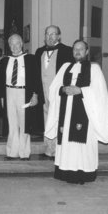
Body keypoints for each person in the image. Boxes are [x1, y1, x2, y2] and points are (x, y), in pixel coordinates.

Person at [45, 40, 108, 184]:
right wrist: (63, 89)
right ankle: (66, 173)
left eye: (81, 49)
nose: (77, 51)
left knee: (83, 144)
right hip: (66, 113)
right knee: (67, 143)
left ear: (87, 52)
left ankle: (83, 174)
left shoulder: (94, 68)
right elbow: (53, 89)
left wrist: (81, 90)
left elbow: (100, 94)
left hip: (85, 115)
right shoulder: (65, 67)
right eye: (75, 49)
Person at [0, 34, 43, 160]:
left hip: (24, 93)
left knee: (24, 123)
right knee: (11, 123)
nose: (14, 46)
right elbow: (0, 81)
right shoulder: (4, 61)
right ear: (8, 46)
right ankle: (12, 151)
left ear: (22, 43)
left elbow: (36, 79)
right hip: (9, 92)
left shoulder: (30, 59)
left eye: (17, 43)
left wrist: (35, 95)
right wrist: (2, 97)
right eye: (11, 44)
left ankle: (24, 152)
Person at [35, 25, 73, 159]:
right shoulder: (39, 51)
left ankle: (60, 149)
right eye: (47, 34)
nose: (50, 37)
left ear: (59, 36)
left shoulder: (67, 51)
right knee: (47, 118)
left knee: (59, 117)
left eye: (53, 34)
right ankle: (49, 148)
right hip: (44, 90)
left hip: (58, 90)